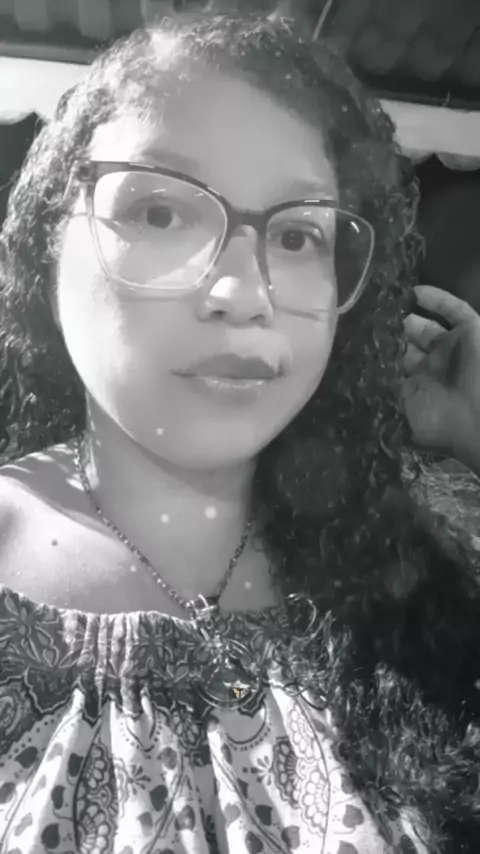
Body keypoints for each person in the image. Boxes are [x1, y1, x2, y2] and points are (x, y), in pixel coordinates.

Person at [1, 10, 480, 853]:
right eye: (159, 212)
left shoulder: (436, 542)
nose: (243, 292)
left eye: (298, 234)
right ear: (47, 245)